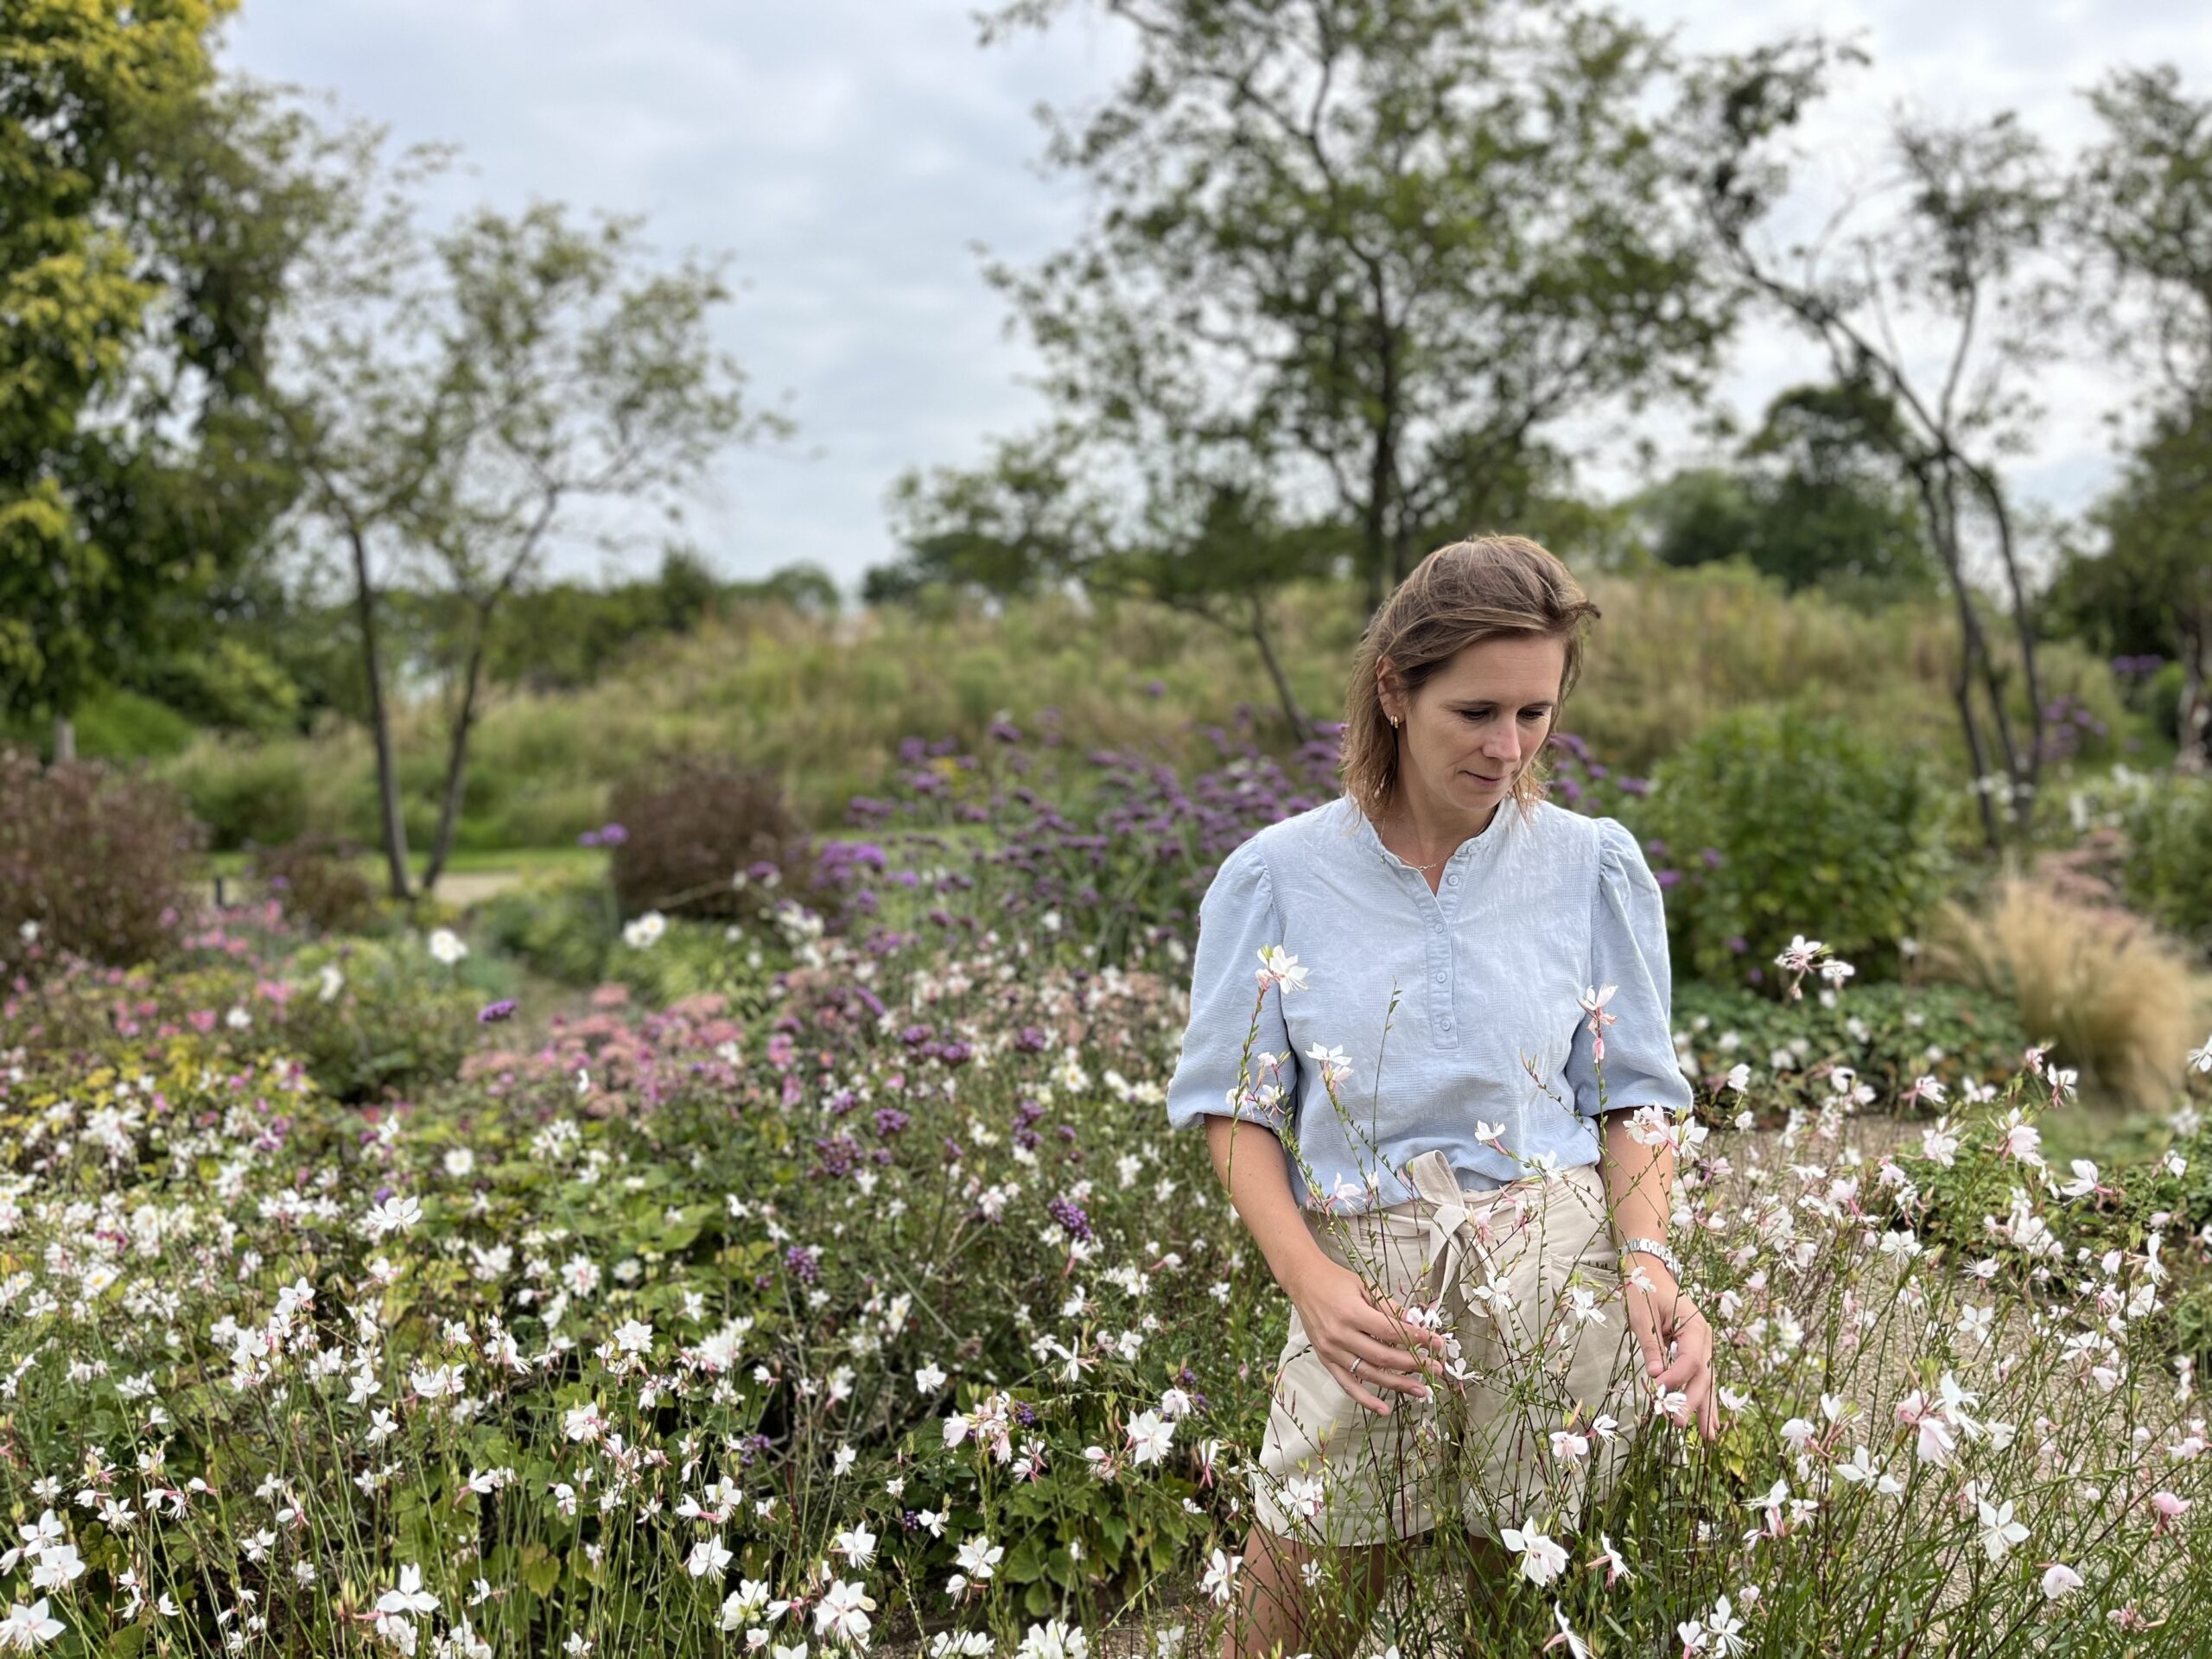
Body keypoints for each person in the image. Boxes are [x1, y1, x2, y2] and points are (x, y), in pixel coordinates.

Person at [1162, 537, 1719, 1659]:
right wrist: (1311, 1283)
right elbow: (1234, 1111)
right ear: (1394, 691)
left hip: (1556, 1284)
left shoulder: (1592, 865)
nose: (1507, 747)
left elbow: (1634, 1100)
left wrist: (1651, 1262)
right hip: (1366, 1305)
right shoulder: (1276, 877)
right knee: (1280, 1632)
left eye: (1534, 713)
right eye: (1475, 712)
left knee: (1522, 1626)